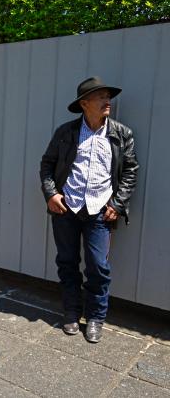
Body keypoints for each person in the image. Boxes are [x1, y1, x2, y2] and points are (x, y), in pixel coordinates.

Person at [40, 76, 138, 343]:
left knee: (98, 267)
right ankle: (71, 312)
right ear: (84, 103)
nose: (108, 102)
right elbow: (47, 165)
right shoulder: (66, 132)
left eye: (109, 96)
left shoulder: (121, 134)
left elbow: (130, 171)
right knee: (67, 262)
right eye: (101, 97)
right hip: (66, 209)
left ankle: (95, 318)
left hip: (100, 212)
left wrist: (117, 204)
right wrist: (51, 194)